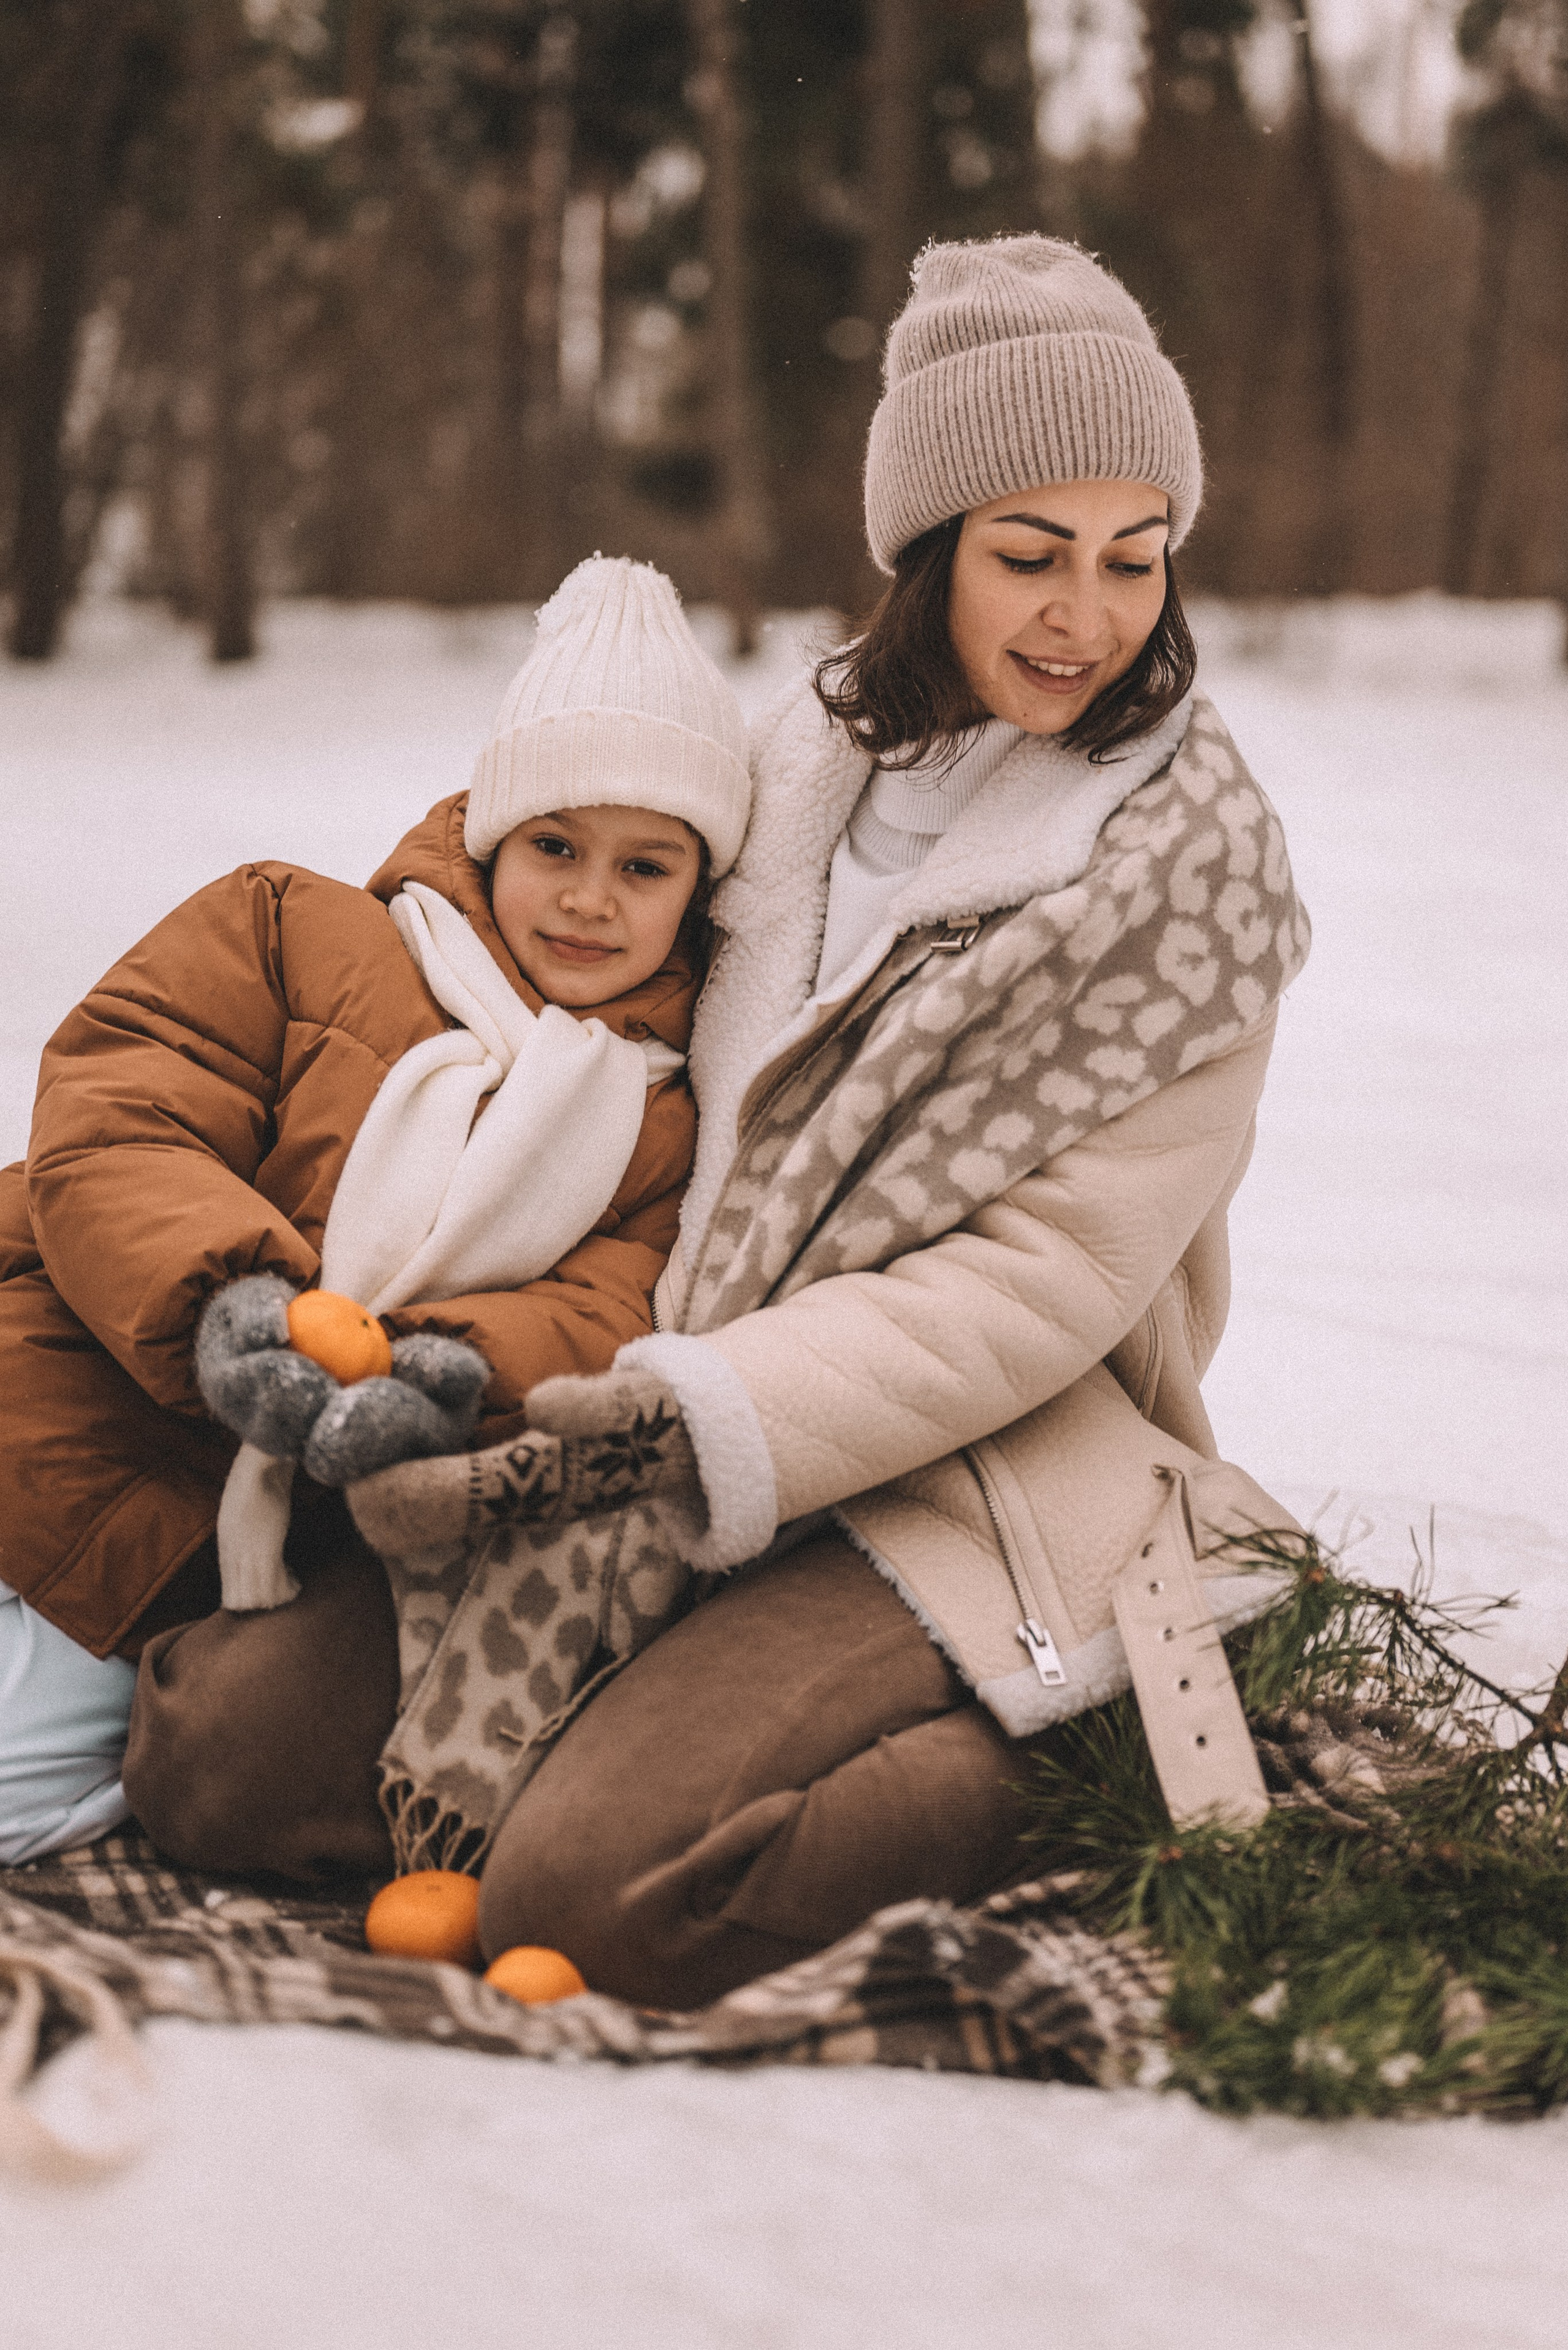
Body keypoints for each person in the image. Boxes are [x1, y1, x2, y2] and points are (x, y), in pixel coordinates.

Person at [126, 234, 1311, 2004]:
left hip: (951, 1464)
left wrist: (694, 1420)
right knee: (214, 1759)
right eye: (1032, 554)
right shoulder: (806, 765)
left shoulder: (1189, 891)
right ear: (926, 551)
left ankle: (1082, 1751)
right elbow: (580, 879)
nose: (1089, 615)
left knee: (598, 1902)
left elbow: (1036, 1288)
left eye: (1137, 558)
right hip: (628, 1406)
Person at [0, 557, 749, 1868]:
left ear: (698, 890)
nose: (587, 897)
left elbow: (606, 1307)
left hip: (181, 1547)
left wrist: (448, 1372)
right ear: (489, 833)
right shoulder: (295, 930)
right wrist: (227, 1297)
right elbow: (125, 1106)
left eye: (645, 866)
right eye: (555, 846)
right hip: (57, 1375)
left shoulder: (662, 1124)